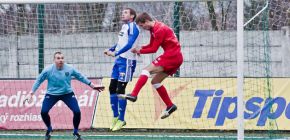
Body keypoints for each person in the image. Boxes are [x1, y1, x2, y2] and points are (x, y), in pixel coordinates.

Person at [23, 52, 104, 140]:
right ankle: (49, 129)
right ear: (54, 60)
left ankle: (76, 132)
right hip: (51, 94)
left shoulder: (69, 68)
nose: (60, 60)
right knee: (43, 112)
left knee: (77, 112)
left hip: (67, 94)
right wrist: (31, 93)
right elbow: (38, 81)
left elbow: (80, 76)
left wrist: (92, 85)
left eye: (62, 58)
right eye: (58, 58)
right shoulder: (48, 70)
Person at [118, 12, 183, 119]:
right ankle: (170, 105)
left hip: (172, 56)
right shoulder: (154, 28)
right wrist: (139, 48)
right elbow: (150, 45)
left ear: (147, 21)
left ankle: (134, 94)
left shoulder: (159, 30)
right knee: (155, 82)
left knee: (145, 71)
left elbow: (153, 49)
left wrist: (139, 51)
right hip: (176, 57)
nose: (142, 28)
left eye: (142, 25)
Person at [104, 8, 139, 131]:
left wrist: (116, 52)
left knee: (120, 89)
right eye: (122, 12)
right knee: (112, 88)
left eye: (125, 12)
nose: (122, 14)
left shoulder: (134, 27)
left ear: (132, 16)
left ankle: (122, 119)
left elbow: (129, 44)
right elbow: (120, 43)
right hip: (119, 60)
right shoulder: (124, 27)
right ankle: (115, 116)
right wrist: (112, 49)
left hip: (127, 61)